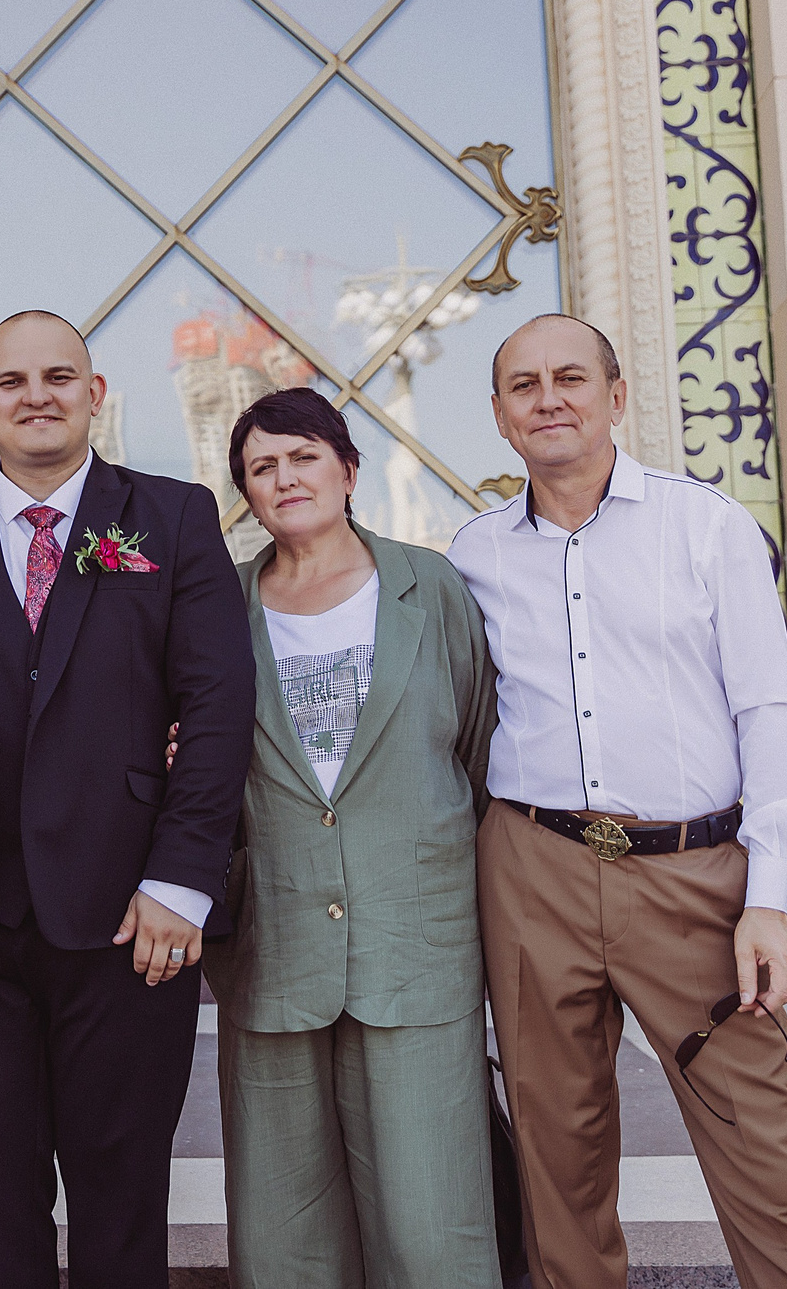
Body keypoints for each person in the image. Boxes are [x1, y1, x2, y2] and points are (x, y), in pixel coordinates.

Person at [0, 310, 257, 1289]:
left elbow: (214, 709)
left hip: (126, 922)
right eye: (13, 381)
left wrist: (181, 882)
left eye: (58, 377)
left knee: (120, 1211)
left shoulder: (170, 518)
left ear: (94, 394)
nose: (37, 396)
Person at [448, 314, 787, 1289]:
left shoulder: (704, 525)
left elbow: (771, 714)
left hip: (693, 877)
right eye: (523, 384)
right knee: (558, 1153)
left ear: (615, 397)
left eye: (570, 378)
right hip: (531, 867)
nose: (548, 398)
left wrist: (768, 896)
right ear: (500, 417)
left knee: (757, 1139)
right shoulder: (472, 555)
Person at [214, 388, 501, 1289]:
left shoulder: (432, 585)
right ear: (246, 495)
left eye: (302, 455)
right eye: (262, 466)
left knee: (431, 1225)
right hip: (274, 954)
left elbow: (478, 749)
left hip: (418, 947)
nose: (284, 477)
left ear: (348, 468)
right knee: (283, 1235)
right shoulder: (218, 609)